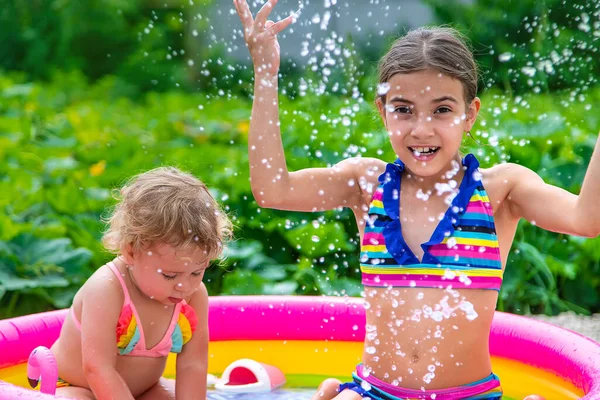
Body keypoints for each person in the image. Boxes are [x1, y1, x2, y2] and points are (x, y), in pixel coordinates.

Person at [233, 0, 600, 398]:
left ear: (470, 113)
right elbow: (273, 190)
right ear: (383, 111)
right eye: (404, 110)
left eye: (442, 110)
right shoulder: (366, 184)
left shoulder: (500, 191)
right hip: (376, 392)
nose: (421, 129)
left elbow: (586, 219)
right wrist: (266, 75)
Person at [50, 167, 232, 400]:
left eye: (197, 272)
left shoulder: (194, 296)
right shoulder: (107, 288)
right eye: (169, 275)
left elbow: (193, 365)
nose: (184, 286)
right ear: (131, 252)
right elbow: (97, 368)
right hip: (78, 387)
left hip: (146, 391)